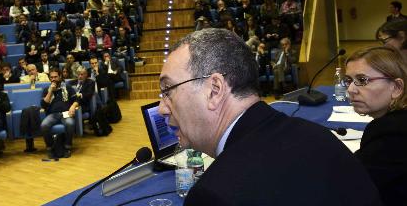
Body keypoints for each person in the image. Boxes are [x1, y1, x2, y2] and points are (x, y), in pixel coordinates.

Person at [158, 28, 382, 206]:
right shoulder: (317, 135)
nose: (162, 109)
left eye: (168, 90)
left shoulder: (214, 194)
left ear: (215, 90)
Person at [344, 46, 407, 205]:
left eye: (362, 80)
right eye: (349, 81)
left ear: (397, 88)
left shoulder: (391, 133)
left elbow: (352, 183)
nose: (351, 90)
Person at [40, 68, 78, 158]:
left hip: (66, 113)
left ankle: (67, 147)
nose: (53, 79)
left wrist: (73, 106)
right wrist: (50, 92)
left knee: (70, 123)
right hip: (52, 115)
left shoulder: (67, 87)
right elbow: (43, 105)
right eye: (51, 77)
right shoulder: (46, 90)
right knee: (44, 125)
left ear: (60, 77)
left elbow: (77, 99)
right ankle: (50, 148)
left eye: (55, 77)